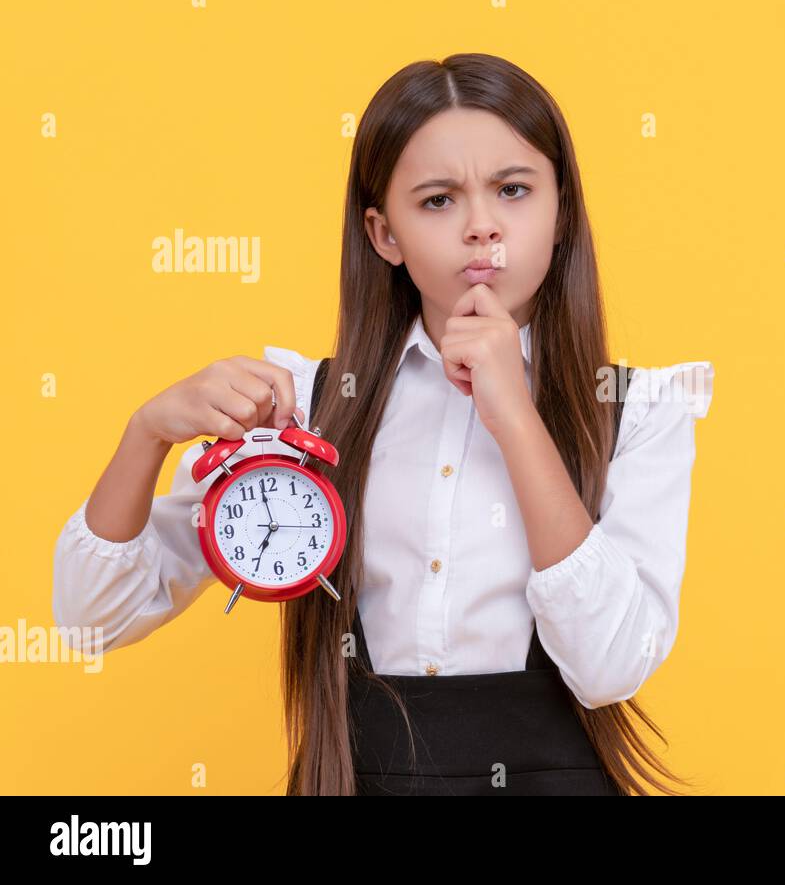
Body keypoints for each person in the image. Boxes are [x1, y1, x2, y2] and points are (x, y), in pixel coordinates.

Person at [51, 54, 714, 796]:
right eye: (437, 201)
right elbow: (90, 618)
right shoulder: (308, 405)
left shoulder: (637, 411)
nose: (482, 227)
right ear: (383, 233)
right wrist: (145, 433)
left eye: (514, 190)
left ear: (560, 213)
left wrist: (516, 415)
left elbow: (610, 666)